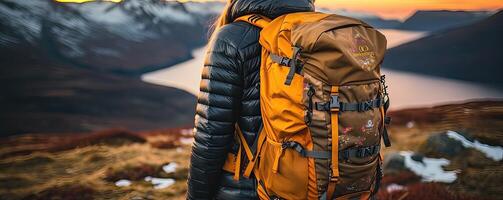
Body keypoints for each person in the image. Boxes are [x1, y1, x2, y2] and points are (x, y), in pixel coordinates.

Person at [187, 0, 316, 199]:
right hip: (313, 181)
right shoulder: (317, 32)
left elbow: (211, 134)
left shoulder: (233, 36)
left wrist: (196, 196)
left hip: (248, 187)